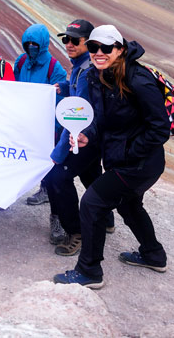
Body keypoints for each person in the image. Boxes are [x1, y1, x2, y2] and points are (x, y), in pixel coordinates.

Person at [53, 25, 170, 289]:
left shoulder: (138, 79)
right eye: (94, 48)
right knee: (129, 206)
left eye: (106, 48)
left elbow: (160, 127)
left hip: (140, 163)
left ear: (120, 49)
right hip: (125, 160)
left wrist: (129, 152)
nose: (99, 53)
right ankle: (154, 255)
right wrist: (87, 136)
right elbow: (99, 120)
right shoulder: (98, 77)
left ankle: (89, 271)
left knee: (93, 203)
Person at [46, 20, 114, 257]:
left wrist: (57, 155)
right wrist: (63, 87)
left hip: (85, 138)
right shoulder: (82, 66)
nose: (69, 44)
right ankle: (106, 219)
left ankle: (77, 232)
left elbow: (76, 118)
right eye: (66, 39)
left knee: (57, 178)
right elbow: (78, 93)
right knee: (90, 173)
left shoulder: (86, 71)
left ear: (89, 42)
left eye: (75, 40)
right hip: (96, 137)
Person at [14, 23, 67, 230]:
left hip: (48, 123)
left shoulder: (55, 67)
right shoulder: (21, 61)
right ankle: (39, 188)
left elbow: (59, 94)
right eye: (27, 44)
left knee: (49, 160)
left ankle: (47, 191)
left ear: (43, 44)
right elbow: (15, 85)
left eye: (35, 44)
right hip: (27, 120)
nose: (31, 47)